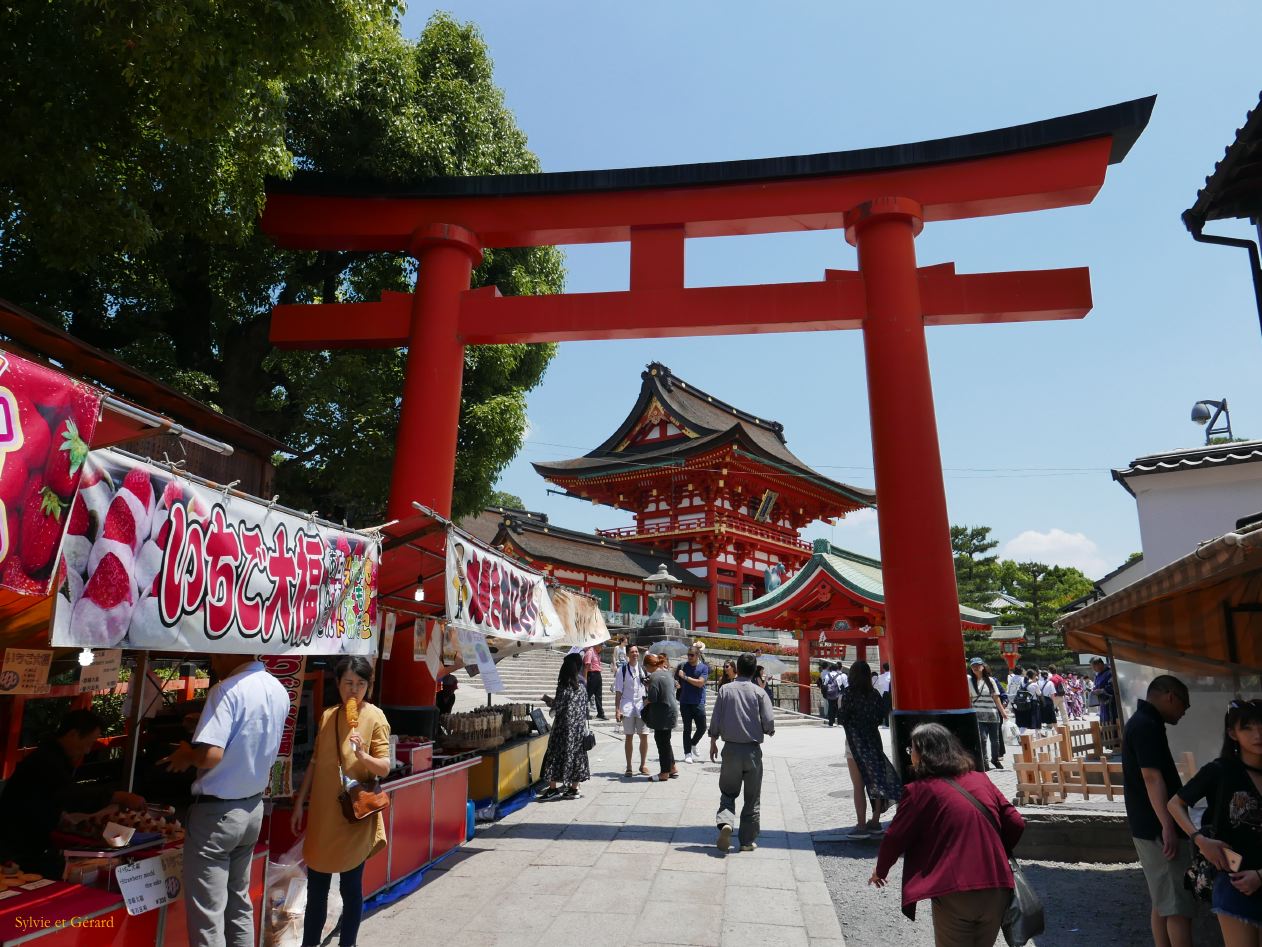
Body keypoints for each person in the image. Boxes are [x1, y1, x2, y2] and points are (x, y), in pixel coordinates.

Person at [164, 653, 291, 947]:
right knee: (239, 902)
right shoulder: (277, 688)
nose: (212, 659)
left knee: (208, 915)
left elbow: (211, 756)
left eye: (214, 651)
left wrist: (187, 754)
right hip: (251, 808)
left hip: (217, 816)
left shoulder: (225, 690)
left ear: (231, 649)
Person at [869, 723, 1025, 946]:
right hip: (997, 886)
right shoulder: (981, 779)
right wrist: (996, 852)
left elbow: (895, 837)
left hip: (955, 890)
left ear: (924, 754)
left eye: (911, 749)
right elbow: (1016, 822)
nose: (910, 755)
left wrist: (881, 870)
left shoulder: (919, 791)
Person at [291, 657, 391, 947]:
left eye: (361, 684)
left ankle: (348, 943)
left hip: (353, 818)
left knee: (350, 888)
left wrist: (363, 756)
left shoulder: (376, 717)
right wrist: (300, 803)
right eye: (348, 682)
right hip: (323, 816)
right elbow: (314, 762)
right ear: (338, 684)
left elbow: (385, 766)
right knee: (317, 889)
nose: (354, 689)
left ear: (368, 687)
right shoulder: (327, 716)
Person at [0, 709, 146, 878]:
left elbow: (52, 795)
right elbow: (70, 795)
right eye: (89, 742)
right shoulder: (47, 760)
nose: (87, 750)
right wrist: (117, 796)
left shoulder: (53, 756)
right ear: (73, 734)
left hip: (29, 837)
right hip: (18, 842)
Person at [1170, 698, 1262, 944]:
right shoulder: (1220, 770)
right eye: (1247, 728)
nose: (1258, 734)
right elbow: (1175, 804)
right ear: (1232, 733)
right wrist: (1200, 840)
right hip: (1234, 878)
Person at [1121, 674, 1194, 947]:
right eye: (1184, 705)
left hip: (1145, 822)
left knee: (1161, 898)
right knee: (1176, 904)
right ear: (1170, 696)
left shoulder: (1142, 722)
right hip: (1156, 825)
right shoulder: (1146, 725)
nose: (1184, 712)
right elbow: (1152, 777)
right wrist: (1168, 824)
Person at [708, 653, 775, 852]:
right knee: (752, 798)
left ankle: (726, 822)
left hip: (730, 749)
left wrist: (713, 741)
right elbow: (769, 720)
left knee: (728, 792)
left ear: (737, 667)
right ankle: (746, 840)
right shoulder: (759, 692)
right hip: (752, 751)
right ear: (754, 670)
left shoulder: (725, 690)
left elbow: (716, 718)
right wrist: (768, 730)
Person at [840, 659, 903, 839]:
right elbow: (879, 717)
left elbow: (842, 718)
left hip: (854, 743)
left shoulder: (848, 694)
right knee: (876, 781)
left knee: (858, 786)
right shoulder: (874, 694)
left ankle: (861, 825)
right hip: (874, 741)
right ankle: (875, 822)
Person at [538, 653, 591, 800]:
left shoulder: (563, 685)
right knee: (576, 757)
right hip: (578, 729)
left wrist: (548, 700)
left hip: (563, 729)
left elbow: (559, 706)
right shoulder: (582, 685)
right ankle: (574, 789)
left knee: (554, 756)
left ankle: (553, 788)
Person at [614, 644, 651, 777]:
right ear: (627, 654)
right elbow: (618, 691)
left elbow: (650, 687)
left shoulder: (643, 669)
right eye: (632, 652)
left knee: (644, 735)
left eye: (636, 652)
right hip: (628, 706)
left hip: (642, 706)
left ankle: (643, 764)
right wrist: (617, 709)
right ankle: (629, 766)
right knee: (629, 736)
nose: (635, 654)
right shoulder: (622, 670)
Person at [644, 653, 679, 781]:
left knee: (661, 742)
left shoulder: (654, 676)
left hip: (662, 714)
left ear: (648, 666)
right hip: (671, 711)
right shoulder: (668, 673)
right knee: (666, 740)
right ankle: (673, 767)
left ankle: (664, 773)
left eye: (645, 667)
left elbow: (653, 697)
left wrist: (644, 701)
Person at [967, 657, 1007, 770]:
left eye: (978, 665)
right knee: (982, 739)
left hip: (992, 715)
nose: (976, 667)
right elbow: (969, 699)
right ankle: (985, 762)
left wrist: (1002, 712)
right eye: (973, 666)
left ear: (983, 666)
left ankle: (995, 759)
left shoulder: (991, 681)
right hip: (978, 715)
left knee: (995, 740)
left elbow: (996, 697)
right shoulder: (969, 681)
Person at [676, 645, 710, 763]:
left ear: (697, 655)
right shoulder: (683, 666)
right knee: (687, 729)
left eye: (692, 655)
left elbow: (700, 683)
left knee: (702, 727)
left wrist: (685, 677)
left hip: (698, 702)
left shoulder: (704, 668)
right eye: (688, 655)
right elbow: (677, 679)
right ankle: (687, 753)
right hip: (685, 701)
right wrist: (677, 683)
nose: (689, 657)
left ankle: (693, 743)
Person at [1011, 672, 1040, 737]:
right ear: (1033, 676)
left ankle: (1018, 734)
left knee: (1024, 721)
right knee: (1035, 720)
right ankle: (1037, 735)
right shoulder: (1034, 684)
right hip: (1032, 703)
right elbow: (1039, 693)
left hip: (1023, 703)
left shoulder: (1022, 683)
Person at [583, 644, 606, 720]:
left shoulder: (596, 653)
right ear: (597, 645)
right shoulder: (590, 652)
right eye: (601, 647)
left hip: (597, 674)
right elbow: (586, 667)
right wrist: (585, 679)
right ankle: (583, 712)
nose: (601, 649)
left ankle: (600, 713)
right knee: (588, 695)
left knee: (599, 696)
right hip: (591, 675)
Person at [1092, 657, 1117, 726]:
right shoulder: (1098, 675)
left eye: (1094, 666)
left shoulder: (1110, 672)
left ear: (1100, 664)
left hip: (1111, 703)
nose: (1093, 668)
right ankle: (1106, 735)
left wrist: (1102, 690)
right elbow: (1097, 685)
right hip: (1102, 703)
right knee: (1104, 722)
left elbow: (1112, 686)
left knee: (1111, 721)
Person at [821, 662, 843, 727]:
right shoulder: (839, 675)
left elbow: (824, 684)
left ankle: (831, 722)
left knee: (831, 707)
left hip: (830, 693)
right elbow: (841, 685)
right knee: (838, 707)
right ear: (837, 669)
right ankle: (839, 723)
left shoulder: (827, 675)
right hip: (837, 694)